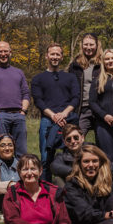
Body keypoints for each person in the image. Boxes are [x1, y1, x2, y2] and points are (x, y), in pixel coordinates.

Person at [31, 43, 79, 179]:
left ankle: (69, 187)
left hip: (68, 119)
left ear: (62, 57)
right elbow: (38, 101)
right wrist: (53, 115)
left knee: (71, 157)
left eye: (58, 54)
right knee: (46, 158)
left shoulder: (70, 77)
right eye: (52, 54)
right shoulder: (38, 79)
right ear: (47, 56)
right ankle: (46, 189)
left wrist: (64, 114)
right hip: (48, 120)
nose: (55, 57)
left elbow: (76, 98)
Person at [0, 41, 29, 157]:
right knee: (0, 151)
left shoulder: (18, 72)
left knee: (21, 152)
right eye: (0, 51)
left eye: (6, 51)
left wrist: (23, 112)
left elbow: (26, 93)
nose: (3, 54)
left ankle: (20, 174)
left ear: (10, 52)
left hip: (19, 115)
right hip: (0, 115)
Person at [68, 33, 103, 135]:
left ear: (97, 45)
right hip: (82, 108)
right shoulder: (75, 64)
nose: (88, 47)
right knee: (76, 138)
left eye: (91, 44)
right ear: (82, 45)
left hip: (100, 108)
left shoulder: (103, 63)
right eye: (86, 44)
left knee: (103, 142)